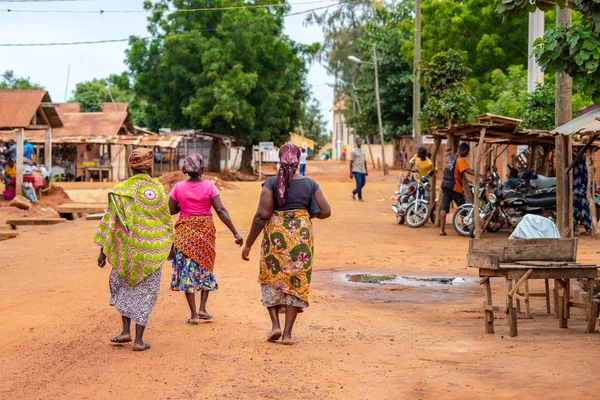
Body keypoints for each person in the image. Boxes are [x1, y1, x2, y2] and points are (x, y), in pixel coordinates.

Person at [242, 144, 331, 345]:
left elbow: (262, 215)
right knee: (295, 281)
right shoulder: (310, 184)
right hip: (301, 236)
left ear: (279, 160)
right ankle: (288, 334)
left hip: (277, 236)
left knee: (271, 275)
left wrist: (248, 244)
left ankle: (275, 325)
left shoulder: (271, 183)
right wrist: (305, 215)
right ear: (298, 161)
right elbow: (326, 211)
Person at [94, 148, 173, 352]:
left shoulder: (120, 189)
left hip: (126, 250)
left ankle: (125, 331)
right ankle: (138, 340)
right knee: (145, 293)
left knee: (125, 287)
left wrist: (103, 251)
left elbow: (110, 221)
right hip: (150, 250)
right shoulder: (157, 189)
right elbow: (165, 221)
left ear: (131, 165)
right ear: (150, 164)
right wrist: (169, 246)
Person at [169, 153, 243, 324]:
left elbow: (171, 210)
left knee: (188, 270)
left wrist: (183, 204)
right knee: (205, 265)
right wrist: (235, 233)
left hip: (185, 232)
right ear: (202, 168)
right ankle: (203, 308)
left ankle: (194, 314)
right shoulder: (210, 186)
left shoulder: (178, 187)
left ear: (185, 169)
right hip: (205, 232)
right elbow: (221, 210)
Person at [439, 143, 475, 236]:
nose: (467, 154)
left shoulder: (450, 158)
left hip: (445, 184)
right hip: (454, 186)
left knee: (444, 208)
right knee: (463, 206)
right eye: (467, 152)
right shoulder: (459, 160)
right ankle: (465, 226)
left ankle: (441, 230)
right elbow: (467, 170)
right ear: (463, 150)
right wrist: (479, 174)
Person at [573, 155, 592, 236]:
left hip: (580, 191)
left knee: (580, 210)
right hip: (578, 191)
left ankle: (588, 229)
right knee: (577, 211)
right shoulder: (574, 165)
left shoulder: (583, 164)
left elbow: (589, 177)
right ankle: (574, 229)